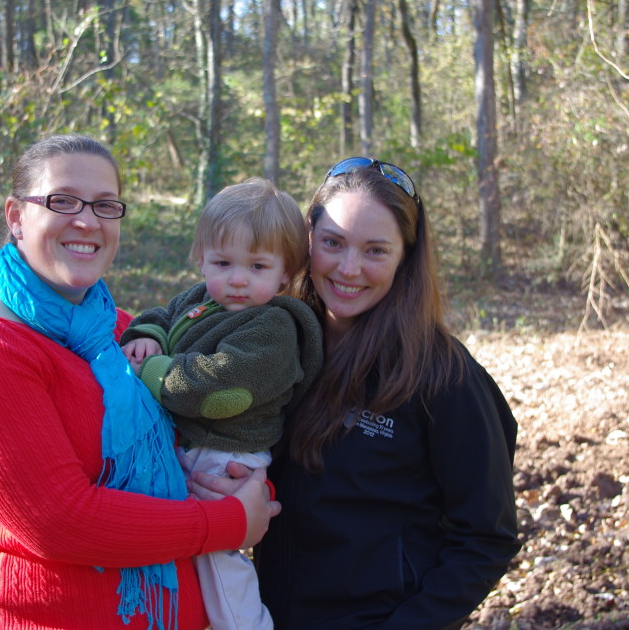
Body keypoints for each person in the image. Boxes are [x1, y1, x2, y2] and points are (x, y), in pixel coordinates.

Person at [0, 134, 279, 630]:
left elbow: (201, 440)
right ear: (15, 215)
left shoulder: (122, 335)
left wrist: (240, 484)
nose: (87, 221)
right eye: (62, 200)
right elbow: (59, 522)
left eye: (106, 206)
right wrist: (230, 523)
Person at [190, 158, 520, 630]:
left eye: (375, 251)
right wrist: (238, 492)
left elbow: (487, 538)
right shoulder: (276, 346)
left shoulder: (444, 377)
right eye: (333, 243)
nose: (349, 268)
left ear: (405, 256)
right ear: (307, 242)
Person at [120, 177, 324, 630]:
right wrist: (147, 337)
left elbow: (221, 390)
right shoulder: (200, 299)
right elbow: (158, 316)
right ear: (201, 260)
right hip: (189, 440)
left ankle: (246, 624)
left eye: (257, 266)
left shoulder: (274, 327)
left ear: (285, 273)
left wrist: (152, 373)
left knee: (218, 558)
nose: (236, 278)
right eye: (222, 262)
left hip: (225, 452)